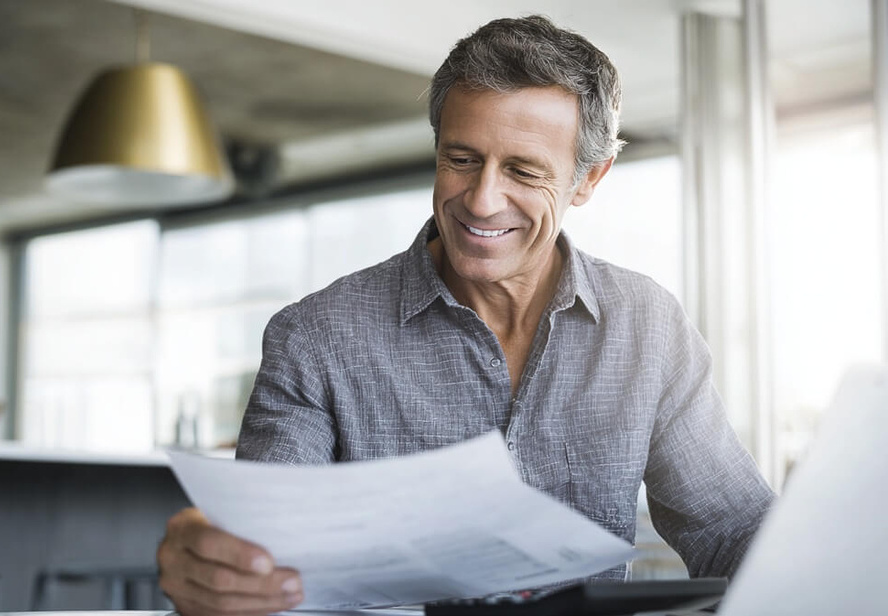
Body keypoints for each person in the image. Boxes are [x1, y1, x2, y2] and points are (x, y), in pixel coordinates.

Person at [157, 14, 775, 616]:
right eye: (461, 159)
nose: (481, 199)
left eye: (523, 170)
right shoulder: (316, 338)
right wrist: (220, 566)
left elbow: (730, 528)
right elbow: (266, 545)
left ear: (589, 177)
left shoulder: (648, 327)